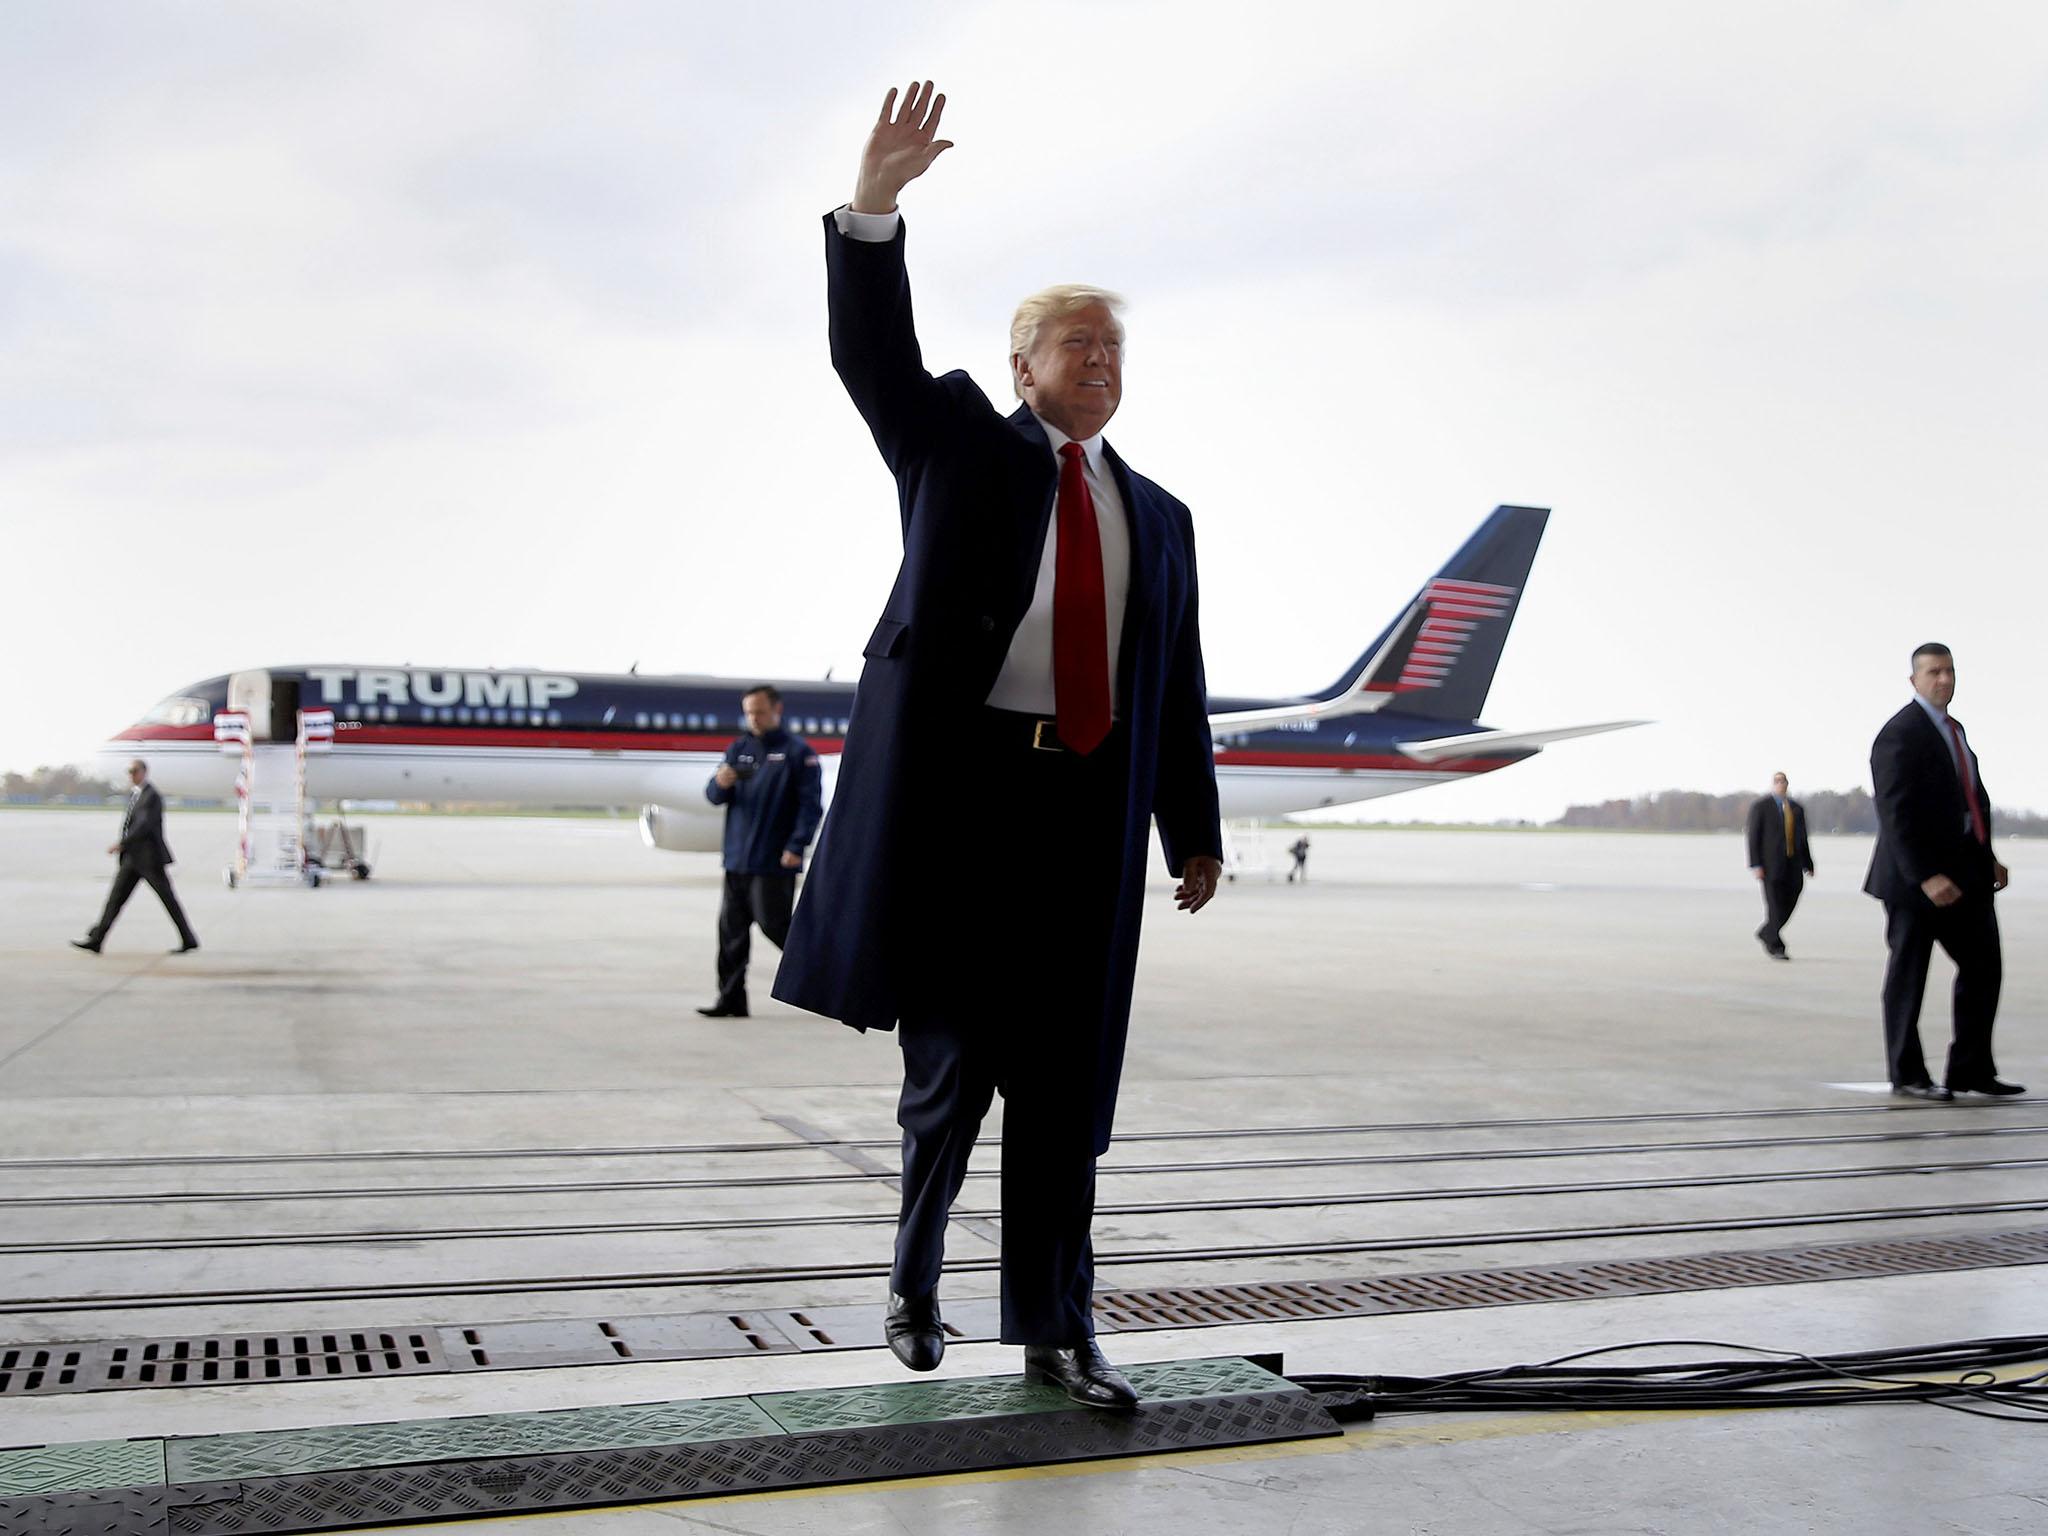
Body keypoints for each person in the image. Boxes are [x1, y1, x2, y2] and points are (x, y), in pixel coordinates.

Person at [771, 83, 1224, 1410]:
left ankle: (1059, 1334)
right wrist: (873, 212)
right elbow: (873, 364)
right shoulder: (960, 452)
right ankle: (915, 1276)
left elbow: (1175, 685)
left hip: (1089, 815)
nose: (1099, 364)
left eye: (1113, 353)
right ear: (1023, 366)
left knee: (1068, 1091)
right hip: (969, 811)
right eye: (1075, 347)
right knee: (954, 1071)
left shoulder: (1166, 518)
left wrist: (1189, 827)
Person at [1864, 643, 2021, 1101]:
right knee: (1908, 977)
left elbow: (1971, 800)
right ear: (1914, 680)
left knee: (1984, 967)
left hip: (1966, 875)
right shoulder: (1900, 733)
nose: (1944, 680)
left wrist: (1987, 854)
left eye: (1950, 671)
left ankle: (1970, 1070)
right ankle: (1908, 1074)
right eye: (1934, 672)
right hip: (1917, 882)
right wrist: (1924, 875)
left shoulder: (1954, 730)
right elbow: (1896, 814)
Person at [697, 685, 822, 1019]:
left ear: (776, 710)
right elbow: (713, 796)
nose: (754, 717)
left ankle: (826, 977)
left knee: (775, 926)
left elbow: (810, 808)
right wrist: (719, 784)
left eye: (760, 711)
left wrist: (796, 846)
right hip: (737, 859)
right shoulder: (738, 749)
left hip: (774, 861)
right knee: (731, 935)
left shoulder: (798, 753)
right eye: (749, 711)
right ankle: (731, 1000)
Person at [72, 759, 199, 955]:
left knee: (168, 899)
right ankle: (97, 940)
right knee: (114, 900)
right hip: (132, 858)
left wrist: (122, 843)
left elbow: (144, 824)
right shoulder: (136, 795)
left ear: (144, 772)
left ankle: (188, 939)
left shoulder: (151, 796)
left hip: (149, 858)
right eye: (129, 772)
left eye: (134, 771)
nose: (131, 775)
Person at [1745, 772, 1814, 959]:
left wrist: (1808, 863)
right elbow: (1753, 837)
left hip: (1793, 864)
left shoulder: (1796, 808)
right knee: (1775, 906)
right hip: (1770, 866)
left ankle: (1766, 932)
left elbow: (1803, 838)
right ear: (1772, 784)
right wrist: (1756, 864)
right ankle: (1776, 946)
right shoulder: (1761, 807)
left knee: (1791, 899)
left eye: (1784, 781)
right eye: (1777, 781)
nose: (1781, 784)